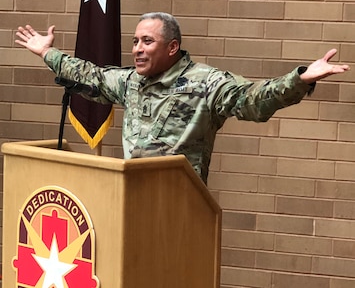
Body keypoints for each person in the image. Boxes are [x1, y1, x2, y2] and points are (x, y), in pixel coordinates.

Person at [15, 12, 350, 184]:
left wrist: (300, 79)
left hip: (180, 203)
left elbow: (252, 99)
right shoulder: (132, 81)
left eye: (147, 42)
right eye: (134, 41)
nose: (136, 49)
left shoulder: (206, 82)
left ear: (172, 47)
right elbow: (92, 75)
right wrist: (48, 53)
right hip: (129, 196)